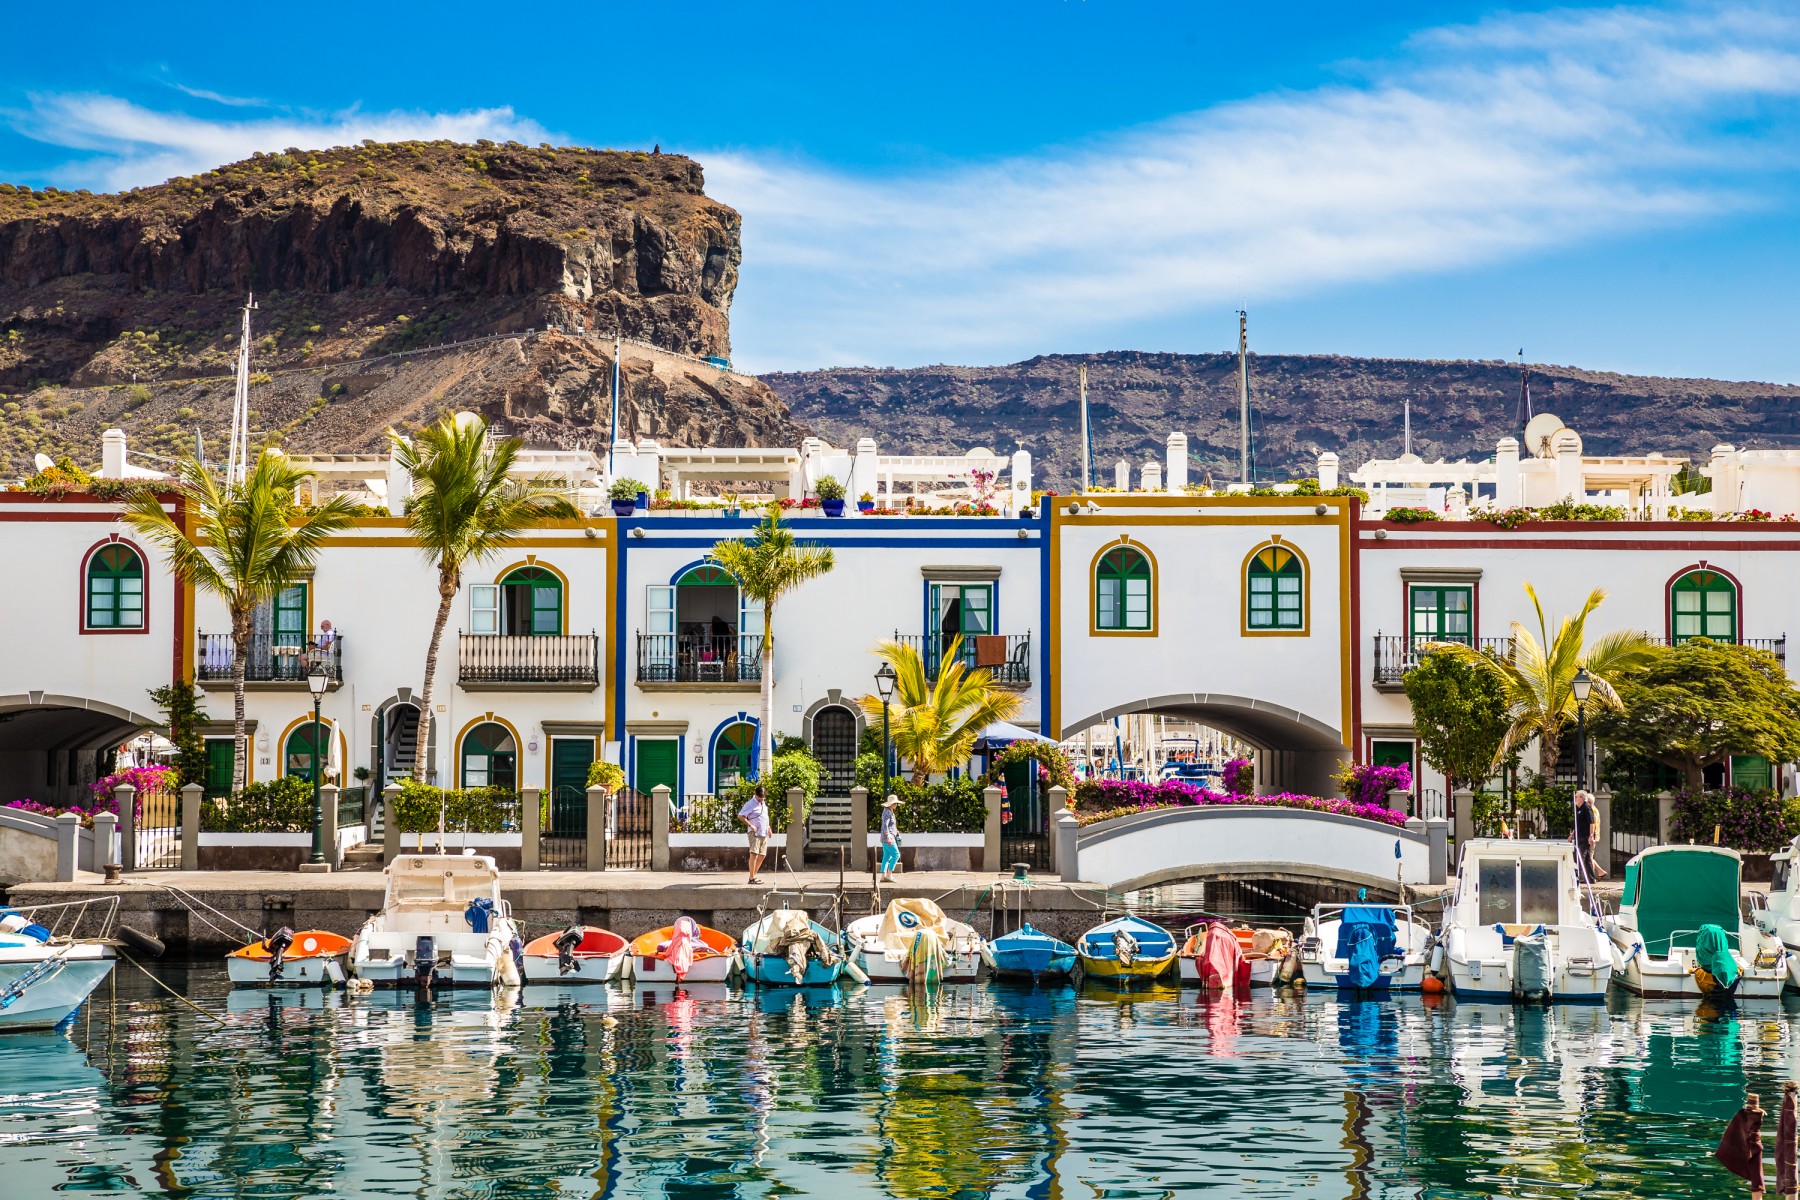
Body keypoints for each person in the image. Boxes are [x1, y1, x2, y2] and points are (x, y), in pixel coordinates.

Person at [738, 785, 770, 885]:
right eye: (760, 797)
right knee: (754, 853)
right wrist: (750, 825)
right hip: (755, 833)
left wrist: (769, 827)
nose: (762, 799)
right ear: (755, 795)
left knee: (762, 855)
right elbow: (741, 816)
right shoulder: (750, 804)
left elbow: (765, 817)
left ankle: (754, 876)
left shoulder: (763, 804)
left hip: (764, 832)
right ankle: (752, 877)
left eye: (763, 798)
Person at [1572, 790, 1606, 881]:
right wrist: (1572, 834)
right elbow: (1578, 824)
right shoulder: (1578, 808)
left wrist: (1591, 836)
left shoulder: (1588, 808)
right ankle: (1591, 878)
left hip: (1586, 837)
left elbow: (1592, 823)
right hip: (1581, 836)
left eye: (1576, 797)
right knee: (1588, 858)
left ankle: (1578, 877)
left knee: (1581, 856)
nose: (1575, 798)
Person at [879, 793, 902, 883]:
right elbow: (885, 825)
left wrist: (896, 831)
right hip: (888, 838)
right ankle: (889, 874)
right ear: (891, 804)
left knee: (886, 856)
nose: (896, 805)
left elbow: (890, 825)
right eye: (895, 803)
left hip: (888, 836)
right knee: (896, 855)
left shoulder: (889, 811)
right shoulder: (887, 812)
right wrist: (888, 836)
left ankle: (883, 876)